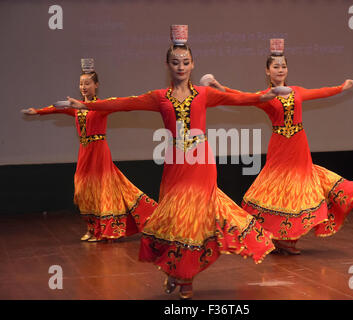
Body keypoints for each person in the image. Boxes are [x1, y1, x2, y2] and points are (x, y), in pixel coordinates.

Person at [66, 26, 280, 299]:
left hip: (201, 162)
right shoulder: (159, 97)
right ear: (168, 65)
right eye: (176, 62)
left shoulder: (204, 94)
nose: (181, 67)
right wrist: (86, 106)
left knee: (193, 218)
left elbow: (238, 99)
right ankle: (175, 270)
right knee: (174, 219)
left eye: (186, 62)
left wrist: (264, 96)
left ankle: (186, 276)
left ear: (193, 64)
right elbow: (122, 103)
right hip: (175, 163)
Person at [206, 39, 353, 255]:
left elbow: (321, 92)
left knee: (298, 189)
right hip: (280, 146)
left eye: (283, 66)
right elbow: (242, 97)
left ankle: (290, 238)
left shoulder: (296, 91)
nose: (280, 70)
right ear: (267, 71)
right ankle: (278, 236)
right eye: (275, 66)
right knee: (278, 189)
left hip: (298, 144)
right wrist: (220, 87)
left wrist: (342, 86)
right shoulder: (266, 95)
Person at [21, 59, 157, 242]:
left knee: (102, 191)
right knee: (83, 190)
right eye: (81, 84)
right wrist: (37, 111)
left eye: (87, 83)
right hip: (85, 152)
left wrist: (140, 102)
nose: (83, 87)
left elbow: (120, 104)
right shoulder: (76, 109)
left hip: (99, 151)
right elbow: (57, 108)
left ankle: (105, 231)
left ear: (96, 85)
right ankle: (92, 229)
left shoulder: (100, 106)